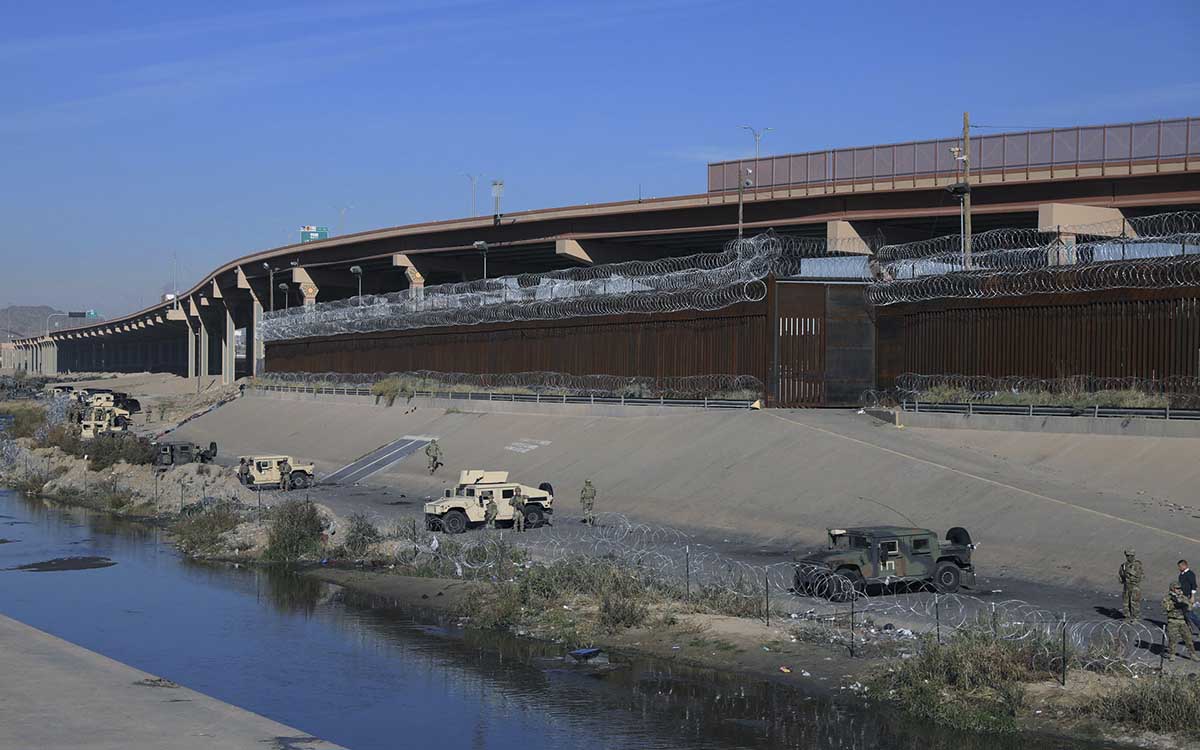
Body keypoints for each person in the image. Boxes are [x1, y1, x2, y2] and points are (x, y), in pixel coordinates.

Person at [1163, 583, 1197, 661]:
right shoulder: (1168, 598)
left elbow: (1190, 607)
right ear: (1172, 589)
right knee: (1172, 639)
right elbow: (1165, 607)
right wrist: (1174, 605)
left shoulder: (1183, 597)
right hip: (1173, 620)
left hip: (1183, 621)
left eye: (1179, 588)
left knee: (1188, 639)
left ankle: (1193, 654)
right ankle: (1172, 654)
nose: (1179, 590)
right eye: (1177, 588)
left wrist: (1185, 605)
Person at [1118, 549, 1143, 620]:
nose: (1129, 557)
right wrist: (1121, 577)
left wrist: (1130, 571)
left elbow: (1139, 576)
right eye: (1127, 556)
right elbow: (1121, 575)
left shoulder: (1137, 564)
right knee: (1126, 602)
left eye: (1131, 556)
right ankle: (1127, 616)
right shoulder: (1124, 565)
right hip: (1126, 586)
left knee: (1134, 603)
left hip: (1135, 586)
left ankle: (1135, 617)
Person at [1179, 560, 1200, 633]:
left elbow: (1193, 585)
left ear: (1185, 565)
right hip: (1182, 596)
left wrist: (1192, 596)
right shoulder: (1181, 574)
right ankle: (1188, 628)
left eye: (1180, 566)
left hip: (1188, 596)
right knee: (1184, 613)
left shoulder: (1190, 574)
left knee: (1189, 613)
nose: (1179, 568)